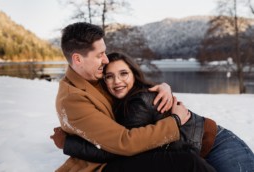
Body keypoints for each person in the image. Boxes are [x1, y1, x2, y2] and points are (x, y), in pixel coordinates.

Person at [52, 22, 215, 172]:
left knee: (188, 161)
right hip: (102, 166)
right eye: (99, 55)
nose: (106, 59)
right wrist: (175, 121)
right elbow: (124, 142)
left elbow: (126, 85)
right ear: (78, 59)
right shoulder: (72, 99)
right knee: (186, 162)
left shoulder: (94, 77)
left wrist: (162, 88)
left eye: (105, 53)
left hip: (119, 154)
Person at [53, 52, 254, 172]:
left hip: (217, 143)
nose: (117, 81)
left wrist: (69, 144)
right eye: (109, 77)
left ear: (134, 74)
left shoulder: (138, 101)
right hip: (197, 152)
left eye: (123, 73)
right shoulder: (124, 102)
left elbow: (118, 147)